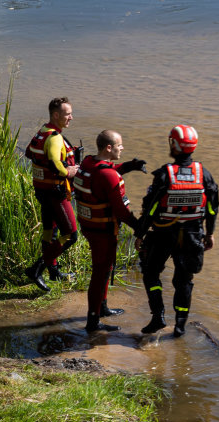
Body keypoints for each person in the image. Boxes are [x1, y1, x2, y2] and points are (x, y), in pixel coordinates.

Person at [135, 125, 219, 337]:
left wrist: (140, 234)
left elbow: (151, 208)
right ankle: (180, 325)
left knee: (151, 273)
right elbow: (212, 208)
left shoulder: (165, 174)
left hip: (163, 235)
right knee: (184, 280)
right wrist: (210, 233)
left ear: (173, 145)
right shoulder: (203, 174)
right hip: (192, 236)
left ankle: (158, 316)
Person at [72, 130, 146, 332]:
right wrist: (138, 226)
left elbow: (105, 172)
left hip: (89, 225)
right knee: (100, 273)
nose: (122, 148)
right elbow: (121, 210)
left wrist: (129, 166)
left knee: (104, 269)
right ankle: (93, 321)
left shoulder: (88, 163)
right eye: (120, 145)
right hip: (103, 230)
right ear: (109, 148)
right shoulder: (108, 175)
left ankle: (102, 307)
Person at [24, 97, 82, 290]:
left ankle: (54, 272)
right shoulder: (55, 137)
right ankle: (37, 269)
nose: (71, 118)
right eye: (67, 114)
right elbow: (56, 164)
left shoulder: (42, 131)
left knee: (50, 232)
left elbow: (29, 152)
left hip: (42, 190)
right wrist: (70, 171)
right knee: (71, 234)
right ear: (56, 115)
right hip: (55, 193)